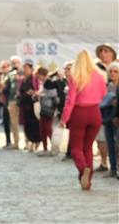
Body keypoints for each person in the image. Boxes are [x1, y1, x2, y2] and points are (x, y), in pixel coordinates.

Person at [61, 50, 107, 190]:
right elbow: (104, 94)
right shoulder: (99, 76)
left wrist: (64, 118)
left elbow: (70, 101)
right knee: (88, 147)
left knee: (76, 148)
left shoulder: (76, 77)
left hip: (79, 113)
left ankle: (83, 170)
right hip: (95, 112)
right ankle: (88, 181)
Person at [93, 44, 116, 172]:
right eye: (100, 51)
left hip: (115, 104)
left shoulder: (117, 66)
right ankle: (103, 162)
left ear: (112, 53)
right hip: (100, 104)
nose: (103, 53)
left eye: (106, 51)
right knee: (101, 135)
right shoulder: (96, 69)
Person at [100, 62, 119, 177]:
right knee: (110, 145)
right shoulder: (107, 86)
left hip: (117, 119)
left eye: (115, 71)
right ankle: (112, 169)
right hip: (107, 118)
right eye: (110, 71)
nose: (112, 73)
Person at [35, 67, 59, 156]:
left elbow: (53, 94)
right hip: (44, 107)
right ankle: (45, 148)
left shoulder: (49, 82)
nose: (38, 78)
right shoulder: (45, 82)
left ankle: (54, 147)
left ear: (42, 74)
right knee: (42, 129)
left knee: (47, 129)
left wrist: (41, 95)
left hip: (49, 108)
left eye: (39, 76)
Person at [19, 62, 42, 153]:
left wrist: (34, 92)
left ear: (31, 69)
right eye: (24, 68)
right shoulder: (23, 79)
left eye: (26, 68)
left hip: (34, 106)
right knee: (27, 126)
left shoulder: (34, 79)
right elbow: (20, 91)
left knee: (35, 125)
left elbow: (39, 89)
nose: (25, 70)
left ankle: (36, 142)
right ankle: (30, 141)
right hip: (25, 106)